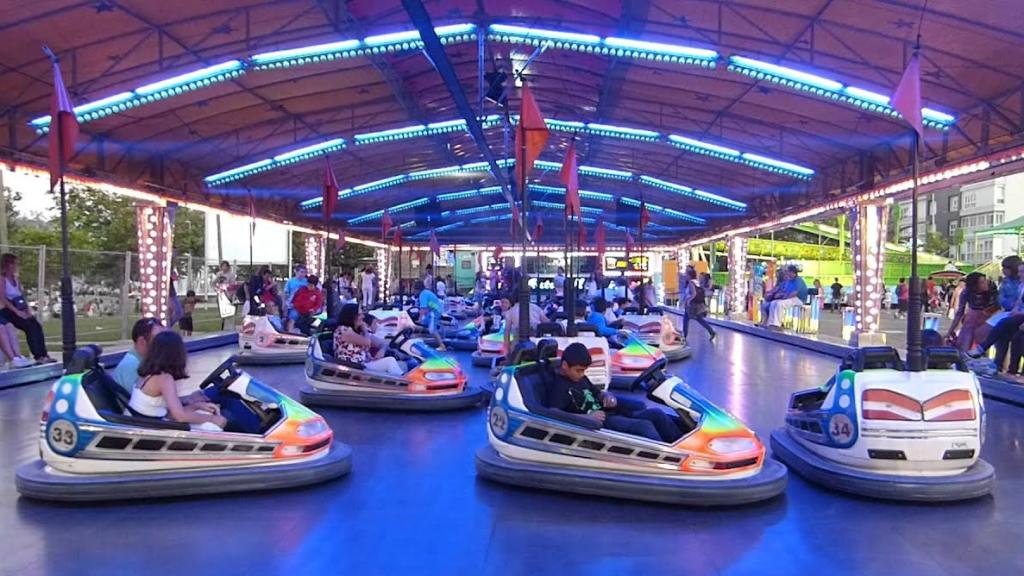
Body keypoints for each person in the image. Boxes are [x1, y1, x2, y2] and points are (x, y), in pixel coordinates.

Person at [544, 343, 682, 443]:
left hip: (610, 412)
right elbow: (553, 412)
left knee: (657, 414)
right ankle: (669, 459)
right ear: (565, 366)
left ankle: (682, 446)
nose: (581, 374)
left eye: (583, 371)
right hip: (598, 424)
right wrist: (587, 418)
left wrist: (606, 396)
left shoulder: (580, 378)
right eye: (578, 370)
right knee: (644, 426)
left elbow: (597, 392)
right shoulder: (559, 386)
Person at [129, 331, 226, 430]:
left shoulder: (147, 374)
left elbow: (168, 412)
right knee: (212, 426)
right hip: (150, 428)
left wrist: (196, 406)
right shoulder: (164, 379)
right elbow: (180, 416)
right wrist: (212, 419)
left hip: (145, 423)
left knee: (204, 414)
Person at [0, 253, 53, 363]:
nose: (16, 266)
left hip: (19, 307)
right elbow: (3, 299)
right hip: (8, 310)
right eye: (15, 264)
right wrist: (17, 312)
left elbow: (21, 296)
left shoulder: (16, 279)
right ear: (8, 265)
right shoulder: (2, 280)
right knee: (29, 327)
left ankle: (44, 354)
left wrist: (27, 310)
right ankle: (38, 356)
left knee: (36, 325)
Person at [332, 303, 404, 375]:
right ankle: (404, 381)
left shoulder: (358, 331)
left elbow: (382, 343)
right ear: (351, 316)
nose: (363, 317)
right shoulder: (343, 330)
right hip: (354, 368)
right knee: (390, 361)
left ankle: (403, 378)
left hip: (364, 365)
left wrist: (382, 350)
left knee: (400, 364)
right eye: (360, 314)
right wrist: (364, 329)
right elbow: (367, 342)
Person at [946, 272, 998, 352]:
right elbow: (960, 312)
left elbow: (998, 305)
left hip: (989, 318)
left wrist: (988, 312)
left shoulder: (992, 289)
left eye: (985, 280)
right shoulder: (966, 292)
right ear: (974, 285)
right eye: (982, 282)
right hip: (972, 320)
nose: (985, 284)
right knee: (966, 344)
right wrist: (950, 330)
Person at [113, 317, 165, 393]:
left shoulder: (143, 362)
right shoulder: (130, 367)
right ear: (142, 341)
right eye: (158, 339)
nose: (164, 343)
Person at [759, 264, 807, 330]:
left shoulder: (798, 281)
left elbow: (794, 293)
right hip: (790, 298)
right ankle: (771, 323)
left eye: (788, 272)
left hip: (798, 299)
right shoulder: (789, 281)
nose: (787, 273)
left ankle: (777, 324)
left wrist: (784, 297)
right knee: (774, 303)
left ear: (792, 272)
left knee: (780, 304)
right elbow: (783, 290)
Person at [684, 268, 716, 341]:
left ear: (689, 275)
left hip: (691, 305)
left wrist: (688, 300)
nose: (685, 275)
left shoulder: (691, 283)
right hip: (697, 305)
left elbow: (694, 293)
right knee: (699, 319)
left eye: (686, 274)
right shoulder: (696, 282)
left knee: (685, 320)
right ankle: (711, 332)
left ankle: (684, 337)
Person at [416, 280, 446, 350]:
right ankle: (419, 341)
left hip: (434, 312)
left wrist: (419, 319)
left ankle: (442, 346)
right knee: (423, 324)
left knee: (432, 330)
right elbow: (426, 308)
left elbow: (423, 309)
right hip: (432, 311)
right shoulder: (426, 292)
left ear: (417, 289)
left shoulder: (423, 294)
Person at [284, 265, 309, 332]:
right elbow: (286, 294)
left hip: (305, 305)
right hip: (293, 305)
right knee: (292, 317)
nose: (303, 274)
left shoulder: (307, 282)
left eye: (304, 272)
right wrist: (285, 304)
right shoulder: (290, 281)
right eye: (301, 272)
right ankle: (290, 332)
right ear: (296, 272)